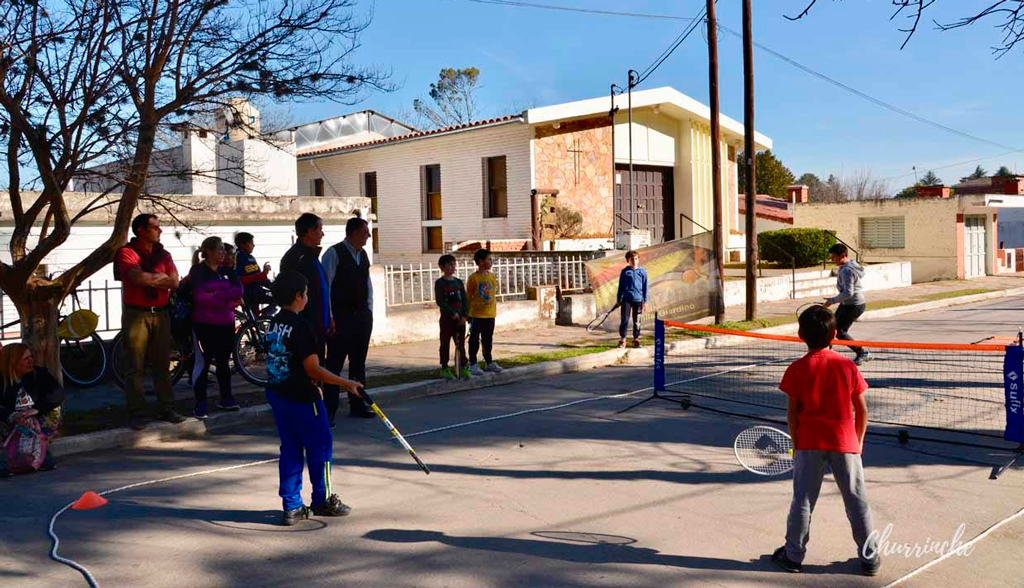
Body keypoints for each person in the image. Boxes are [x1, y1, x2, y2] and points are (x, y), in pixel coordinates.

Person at [771, 305, 881, 577]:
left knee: (803, 501)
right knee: (857, 501)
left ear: (799, 334)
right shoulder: (847, 366)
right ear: (835, 334)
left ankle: (793, 555)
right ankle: (870, 558)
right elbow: (862, 410)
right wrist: (858, 442)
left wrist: (796, 445)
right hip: (846, 443)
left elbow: (793, 414)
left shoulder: (796, 369)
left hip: (808, 444)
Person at [264, 270, 363, 526]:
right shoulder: (300, 327)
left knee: (291, 449)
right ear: (299, 296)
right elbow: (313, 368)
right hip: (303, 398)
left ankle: (292, 505)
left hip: (279, 395)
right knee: (321, 448)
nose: (307, 296)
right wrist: (346, 383)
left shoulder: (274, 324)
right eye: (306, 293)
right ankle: (322, 498)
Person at [115, 213, 187, 430]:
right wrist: (159, 279)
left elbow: (174, 282)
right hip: (137, 314)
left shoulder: (163, 254)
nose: (160, 230)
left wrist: (151, 278)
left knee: (162, 364)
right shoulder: (127, 252)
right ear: (141, 230)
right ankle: (137, 412)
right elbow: (136, 278)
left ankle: (167, 407)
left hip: (161, 314)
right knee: (135, 365)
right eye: (155, 227)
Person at [321, 217, 375, 422]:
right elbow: (325, 286)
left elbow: (367, 284)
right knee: (334, 364)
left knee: (358, 364)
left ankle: (358, 404)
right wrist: (330, 318)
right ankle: (330, 409)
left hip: (361, 316)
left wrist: (369, 310)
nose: (368, 236)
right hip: (341, 318)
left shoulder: (363, 255)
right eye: (365, 232)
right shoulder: (333, 253)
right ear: (353, 233)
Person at [188, 237, 244, 419]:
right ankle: (200, 403)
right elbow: (200, 296)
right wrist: (225, 299)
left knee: (223, 363)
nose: (223, 253)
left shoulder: (228, 271)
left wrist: (215, 294)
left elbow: (238, 291)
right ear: (209, 251)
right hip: (204, 325)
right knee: (202, 364)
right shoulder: (198, 271)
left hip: (226, 324)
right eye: (219, 249)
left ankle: (226, 398)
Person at [0, 344, 64, 476]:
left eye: (31, 357)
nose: (31, 361)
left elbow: (57, 393)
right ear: (13, 362)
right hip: (8, 424)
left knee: (54, 410)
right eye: (26, 359)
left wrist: (35, 410)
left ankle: (41, 450)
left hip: (33, 424)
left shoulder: (39, 374)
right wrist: (13, 416)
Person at [280, 213, 332, 353]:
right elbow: (291, 295)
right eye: (320, 229)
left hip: (320, 325)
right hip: (306, 326)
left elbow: (322, 290)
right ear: (310, 232)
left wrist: (328, 318)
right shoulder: (295, 258)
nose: (323, 234)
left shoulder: (312, 256)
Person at [823, 243, 872, 365]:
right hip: (848, 303)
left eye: (833, 257)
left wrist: (831, 301)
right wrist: (834, 299)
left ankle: (862, 353)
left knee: (840, 331)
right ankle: (826, 354)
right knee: (831, 327)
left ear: (843, 255)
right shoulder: (850, 265)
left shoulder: (847, 271)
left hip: (854, 305)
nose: (832, 259)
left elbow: (848, 293)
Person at [466, 248, 502, 376]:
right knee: (474, 340)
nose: (491, 262)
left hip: (490, 314)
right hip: (476, 315)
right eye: (489, 259)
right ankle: (473, 363)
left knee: (488, 339)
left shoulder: (492, 276)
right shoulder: (473, 278)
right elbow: (468, 297)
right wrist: (467, 314)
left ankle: (489, 362)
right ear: (481, 262)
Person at [434, 254, 470, 380]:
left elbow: (465, 300)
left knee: (460, 344)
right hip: (447, 320)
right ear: (442, 267)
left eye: (454, 264)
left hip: (460, 320)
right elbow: (440, 301)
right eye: (449, 265)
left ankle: (463, 366)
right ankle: (444, 367)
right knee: (445, 343)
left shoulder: (459, 282)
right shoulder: (440, 283)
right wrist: (452, 313)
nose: (452, 267)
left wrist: (465, 315)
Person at [235, 232, 276, 315]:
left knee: (278, 297)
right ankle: (263, 318)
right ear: (242, 244)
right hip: (247, 292)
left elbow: (261, 277)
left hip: (257, 290)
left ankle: (261, 318)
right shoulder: (237, 256)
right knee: (278, 298)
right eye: (251, 243)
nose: (253, 245)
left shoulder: (251, 257)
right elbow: (237, 278)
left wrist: (273, 286)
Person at [616, 250, 648, 349]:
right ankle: (623, 339)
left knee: (637, 321)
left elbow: (645, 287)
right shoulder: (625, 272)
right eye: (631, 259)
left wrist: (645, 301)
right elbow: (620, 287)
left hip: (638, 301)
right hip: (626, 300)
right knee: (624, 320)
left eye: (636, 259)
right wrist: (618, 299)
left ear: (638, 260)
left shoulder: (643, 272)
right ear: (627, 261)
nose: (634, 261)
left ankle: (636, 339)